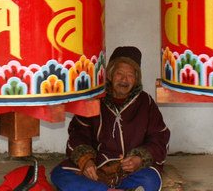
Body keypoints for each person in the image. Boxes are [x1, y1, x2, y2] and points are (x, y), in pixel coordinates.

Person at [51, 46, 170, 191]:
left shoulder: (146, 102)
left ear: (136, 79)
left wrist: (140, 158)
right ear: (109, 75)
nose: (124, 80)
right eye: (119, 74)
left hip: (131, 171)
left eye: (130, 75)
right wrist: (86, 161)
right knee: (60, 174)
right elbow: (78, 133)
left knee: (150, 179)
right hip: (98, 169)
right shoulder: (94, 100)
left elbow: (160, 137)